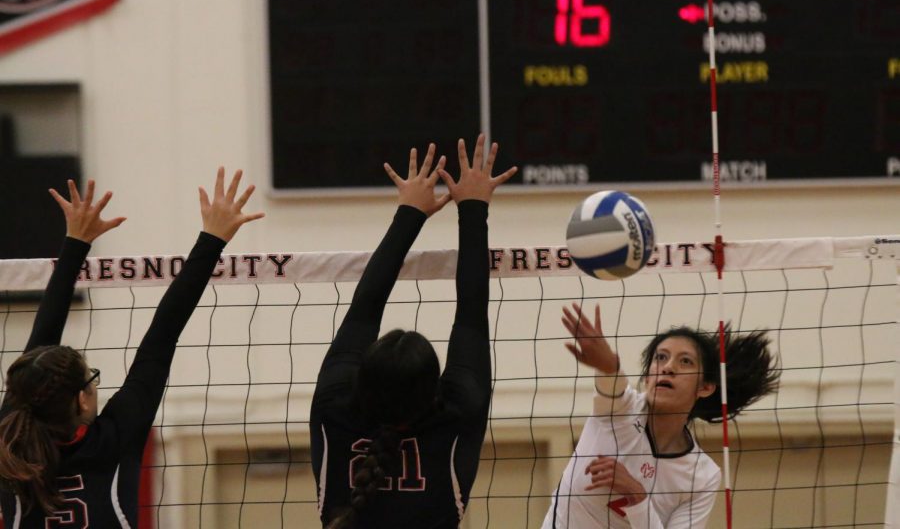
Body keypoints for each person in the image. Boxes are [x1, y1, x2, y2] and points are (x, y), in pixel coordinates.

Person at [0, 169, 263, 527]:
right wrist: (214, 238)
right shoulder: (114, 439)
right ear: (81, 399)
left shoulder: (9, 445)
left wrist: (75, 243)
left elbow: (159, 336)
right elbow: (162, 336)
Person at [311, 135, 517, 529]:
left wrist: (416, 213)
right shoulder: (455, 413)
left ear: (363, 379)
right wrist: (468, 211)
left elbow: (363, 312)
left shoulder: (335, 408)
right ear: (432, 390)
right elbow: (470, 316)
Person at [543, 303, 780, 528]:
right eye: (661, 357)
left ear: (705, 387)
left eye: (685, 361)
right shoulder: (621, 410)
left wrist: (636, 494)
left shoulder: (701, 474)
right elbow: (612, 381)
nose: (668, 367)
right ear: (647, 378)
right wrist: (608, 364)